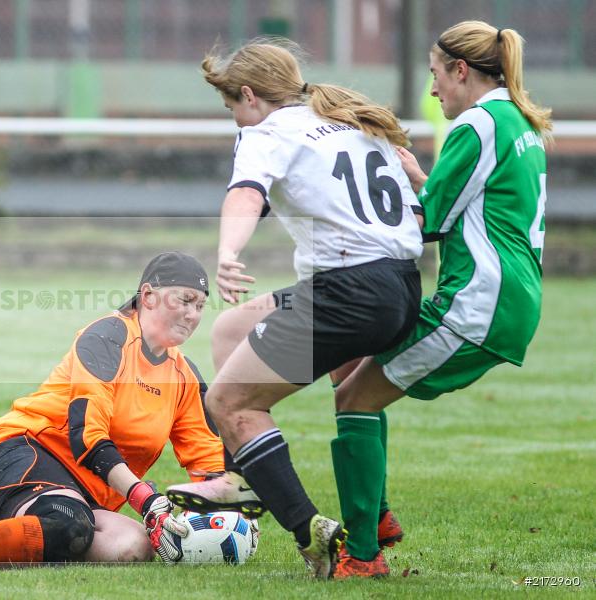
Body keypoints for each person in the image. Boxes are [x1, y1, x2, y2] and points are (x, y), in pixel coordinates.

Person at [165, 37, 424, 579]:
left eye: (232, 108)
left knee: (231, 404)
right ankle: (371, 515)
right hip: (398, 286)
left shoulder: (265, 131)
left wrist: (227, 252)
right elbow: (417, 216)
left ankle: (311, 533)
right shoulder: (350, 124)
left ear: (249, 95)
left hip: (348, 292)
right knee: (233, 330)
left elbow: (245, 195)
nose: (235, 120)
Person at [331, 20, 551, 578]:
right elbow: (473, 208)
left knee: (354, 401)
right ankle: (375, 520)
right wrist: (419, 176)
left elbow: (427, 223)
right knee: (348, 357)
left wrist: (350, 219)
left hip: (478, 301)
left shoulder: (478, 124)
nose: (433, 91)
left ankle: (361, 557)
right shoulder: (516, 120)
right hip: (504, 296)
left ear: (460, 71)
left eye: (436, 76)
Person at [0, 252, 224, 569]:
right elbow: (88, 439)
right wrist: (145, 499)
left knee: (132, 548)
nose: (192, 314)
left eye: (200, 305)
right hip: (18, 457)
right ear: (148, 296)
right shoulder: (107, 337)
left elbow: (208, 463)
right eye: (184, 300)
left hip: (79, 493)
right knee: (69, 527)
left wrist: (231, 517)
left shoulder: (184, 375)